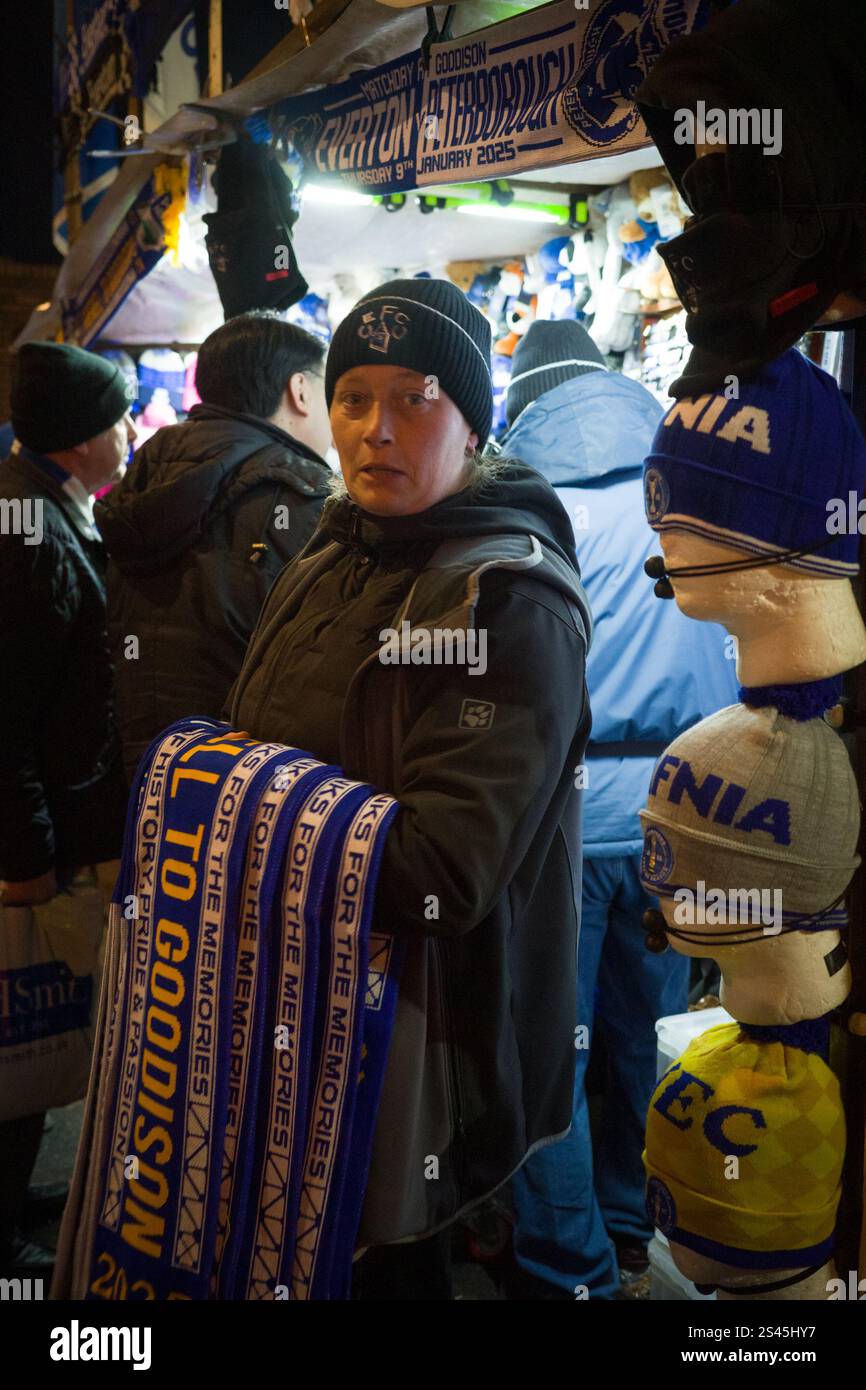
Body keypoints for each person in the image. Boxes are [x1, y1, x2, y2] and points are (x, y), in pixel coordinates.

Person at [227, 278, 592, 1299]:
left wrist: (237, 810)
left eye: (414, 398)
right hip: (296, 1009)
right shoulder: (329, 551)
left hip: (415, 1053)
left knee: (387, 1270)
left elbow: (445, 869)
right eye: (351, 397)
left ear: (474, 422)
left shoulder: (503, 596)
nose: (372, 431)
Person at [501, 318, 739, 1299]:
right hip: (683, 810)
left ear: (526, 400)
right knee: (639, 1037)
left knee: (547, 1055)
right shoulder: (686, 492)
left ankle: (568, 1270)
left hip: (558, 815)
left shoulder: (522, 504)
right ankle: (630, 1227)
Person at [0, 340, 136, 1276]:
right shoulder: (31, 536)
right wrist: (28, 857)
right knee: (20, 1021)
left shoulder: (45, 511)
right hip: (32, 840)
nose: (129, 434)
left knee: (33, 1029)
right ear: (80, 439)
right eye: (117, 418)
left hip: (48, 824)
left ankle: (11, 1187)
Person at [97, 311, 334, 781]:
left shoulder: (146, 476)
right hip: (249, 783)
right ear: (301, 391)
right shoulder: (301, 497)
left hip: (142, 766)